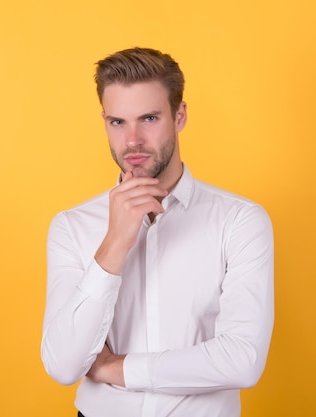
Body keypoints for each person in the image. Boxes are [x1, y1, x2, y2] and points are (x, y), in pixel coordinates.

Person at [41, 47, 274, 417]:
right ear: (104, 120)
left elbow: (242, 359)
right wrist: (115, 242)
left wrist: (114, 368)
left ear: (179, 115)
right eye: (117, 122)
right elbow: (63, 365)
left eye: (148, 118)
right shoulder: (73, 227)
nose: (132, 140)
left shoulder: (240, 221)